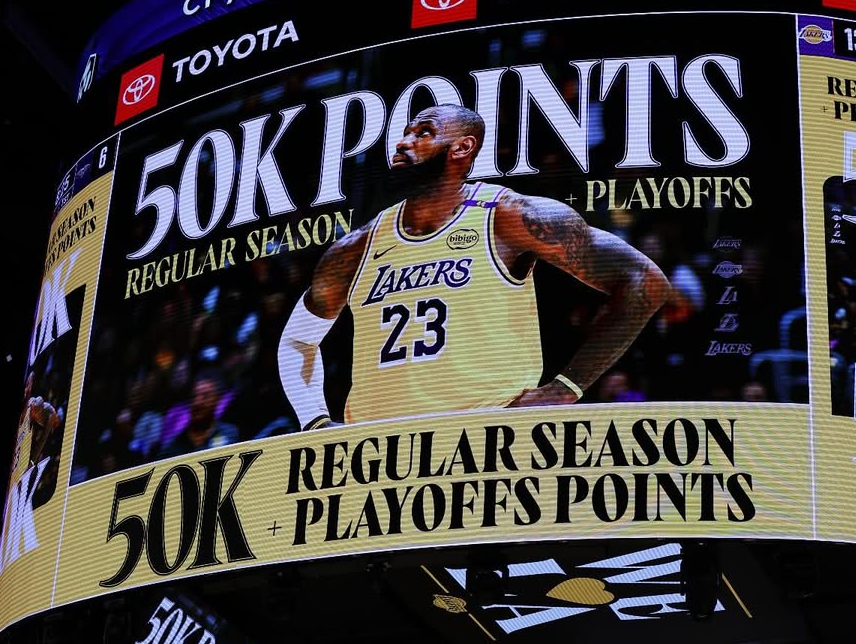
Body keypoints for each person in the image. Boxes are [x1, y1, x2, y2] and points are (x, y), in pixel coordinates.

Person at [278, 104, 669, 428]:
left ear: (462, 147)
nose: (403, 142)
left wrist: (565, 387)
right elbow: (298, 342)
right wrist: (315, 420)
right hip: (378, 458)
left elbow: (645, 282)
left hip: (484, 447)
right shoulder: (356, 246)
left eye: (423, 133)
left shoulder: (509, 217)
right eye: (406, 133)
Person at [159, 377, 240, 459]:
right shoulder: (174, 445)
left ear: (216, 401)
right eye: (194, 397)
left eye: (206, 396)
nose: (197, 402)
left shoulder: (229, 433)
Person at [12, 370, 61, 477]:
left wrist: (32, 462)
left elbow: (42, 441)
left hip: (47, 432)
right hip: (37, 421)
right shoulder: (33, 403)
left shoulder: (50, 419)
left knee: (39, 445)